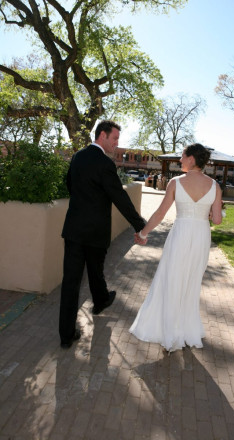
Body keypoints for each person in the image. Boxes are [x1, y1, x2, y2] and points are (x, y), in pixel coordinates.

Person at [59, 120, 145, 349]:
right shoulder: (104, 163)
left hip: (74, 229)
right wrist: (140, 225)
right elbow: (119, 197)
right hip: (95, 231)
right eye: (115, 139)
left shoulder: (77, 157)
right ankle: (100, 300)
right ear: (102, 136)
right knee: (95, 269)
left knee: (71, 282)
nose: (117, 144)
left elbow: (69, 184)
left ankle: (67, 333)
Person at [131, 143, 222, 353]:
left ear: (191, 159)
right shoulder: (215, 186)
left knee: (172, 280)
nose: (180, 160)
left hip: (181, 234)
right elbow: (216, 219)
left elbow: (160, 213)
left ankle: (170, 332)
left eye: (182, 156)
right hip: (201, 236)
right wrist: (209, 213)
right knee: (192, 282)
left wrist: (143, 233)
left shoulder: (175, 182)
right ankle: (186, 329)